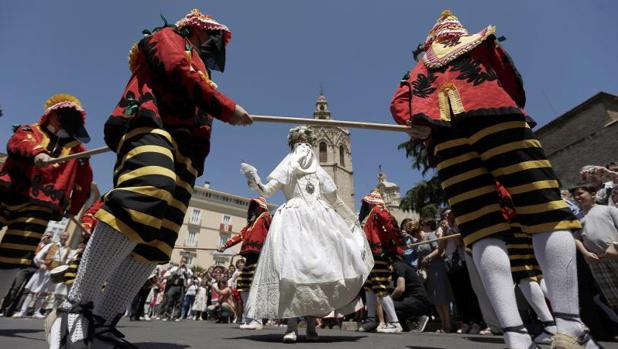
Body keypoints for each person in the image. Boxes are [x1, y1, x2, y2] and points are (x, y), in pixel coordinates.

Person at [390, 10, 596, 349]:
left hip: (446, 140)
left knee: (481, 229)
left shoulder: (417, 69)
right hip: (497, 119)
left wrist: (420, 122)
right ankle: (570, 326)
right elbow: (511, 84)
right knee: (546, 211)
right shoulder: (481, 41)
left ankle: (515, 334)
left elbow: (400, 105)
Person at [50, 8, 252, 348]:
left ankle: (101, 321)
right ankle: (73, 309)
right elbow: (176, 69)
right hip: (153, 125)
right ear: (196, 29)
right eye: (211, 36)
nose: (214, 45)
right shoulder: (168, 38)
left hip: (187, 151)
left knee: (158, 239)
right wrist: (226, 107)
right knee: (146, 192)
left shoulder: (202, 68)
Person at [240, 126, 373, 343]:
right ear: (293, 148)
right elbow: (266, 191)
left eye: (306, 145)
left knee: (317, 270)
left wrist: (351, 219)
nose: (304, 149)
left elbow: (335, 199)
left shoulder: (319, 172)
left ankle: (311, 325)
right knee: (292, 270)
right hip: (292, 221)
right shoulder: (287, 167)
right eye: (299, 145)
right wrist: (254, 179)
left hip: (319, 221)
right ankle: (291, 326)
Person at [0, 94, 92, 300]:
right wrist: (38, 154)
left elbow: (83, 186)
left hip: (40, 206)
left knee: (12, 257)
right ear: (51, 115)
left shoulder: (78, 152)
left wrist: (73, 208)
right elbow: (18, 142)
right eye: (64, 116)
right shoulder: (30, 130)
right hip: (7, 192)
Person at [218, 197, 271, 329]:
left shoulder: (266, 217)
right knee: (243, 287)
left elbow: (274, 231)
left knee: (255, 288)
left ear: (262, 207)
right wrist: (225, 245)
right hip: (249, 259)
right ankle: (249, 318)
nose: (254, 209)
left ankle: (257, 320)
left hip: (260, 257)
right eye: (253, 206)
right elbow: (239, 236)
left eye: (256, 206)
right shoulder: (249, 225)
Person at [357, 189, 405, 334]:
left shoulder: (378, 211)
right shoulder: (372, 214)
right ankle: (371, 319)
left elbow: (391, 225)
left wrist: (399, 243)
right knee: (369, 287)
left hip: (378, 254)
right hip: (370, 255)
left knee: (381, 287)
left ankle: (395, 323)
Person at [570, 184, 618, 314]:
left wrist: (614, 245)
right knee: (613, 297)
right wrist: (585, 253)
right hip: (596, 262)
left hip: (615, 256)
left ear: (593, 194)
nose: (577, 197)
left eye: (580, 193)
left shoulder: (608, 209)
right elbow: (576, 238)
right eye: (575, 195)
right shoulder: (577, 218)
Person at [14, 232, 71, 318]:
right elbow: (38, 256)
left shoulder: (68, 249)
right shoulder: (51, 245)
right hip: (44, 270)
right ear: (59, 236)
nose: (65, 237)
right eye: (63, 236)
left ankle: (36, 312)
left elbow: (65, 261)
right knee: (33, 292)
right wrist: (40, 264)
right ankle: (22, 311)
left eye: (67, 236)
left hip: (54, 272)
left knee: (44, 293)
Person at [390, 256, 432, 332]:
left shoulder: (399, 266)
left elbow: (400, 289)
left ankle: (418, 318)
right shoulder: (398, 269)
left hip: (419, 301)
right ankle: (407, 327)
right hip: (415, 301)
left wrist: (389, 300)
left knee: (389, 305)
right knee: (394, 310)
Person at [162, 257, 193, 321]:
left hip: (182, 286)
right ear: (180, 261)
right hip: (174, 285)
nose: (183, 263)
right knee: (170, 300)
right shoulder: (175, 268)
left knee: (179, 302)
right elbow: (172, 274)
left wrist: (186, 270)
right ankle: (168, 315)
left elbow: (190, 276)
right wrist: (179, 268)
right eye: (182, 262)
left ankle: (175, 316)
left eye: (185, 262)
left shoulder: (188, 270)